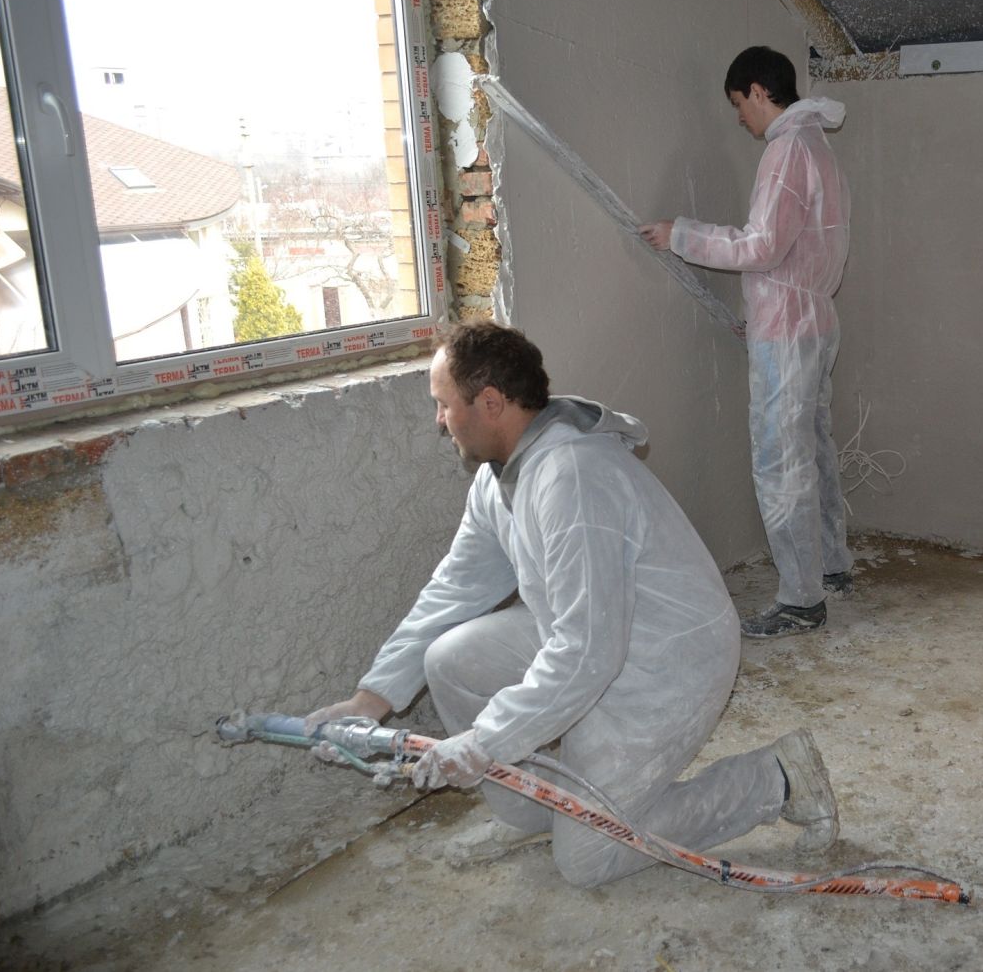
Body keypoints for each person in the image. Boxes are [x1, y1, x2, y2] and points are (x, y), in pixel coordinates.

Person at [306, 320, 839, 886]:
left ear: (490, 403)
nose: (439, 420)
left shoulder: (574, 478)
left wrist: (484, 743)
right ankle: (536, 813)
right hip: (596, 636)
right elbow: (453, 590)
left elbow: (588, 655)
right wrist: (369, 700)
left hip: (665, 663)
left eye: (443, 404)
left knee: (588, 860)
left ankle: (775, 779)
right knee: (450, 659)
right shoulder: (499, 480)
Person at [639, 45, 852, 639]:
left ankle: (801, 601)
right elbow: (802, 248)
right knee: (813, 451)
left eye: (739, 103)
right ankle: (831, 566)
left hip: (789, 330)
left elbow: (763, 246)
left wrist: (681, 234)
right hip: (812, 320)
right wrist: (758, 315)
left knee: (781, 462)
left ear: (759, 91)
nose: (739, 117)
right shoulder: (817, 146)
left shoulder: (786, 150)